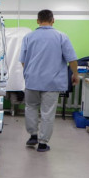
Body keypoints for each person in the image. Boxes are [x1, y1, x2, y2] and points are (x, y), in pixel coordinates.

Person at [20, 9, 78, 152]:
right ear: (53, 20)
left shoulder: (28, 37)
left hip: (32, 81)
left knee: (30, 107)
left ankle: (33, 135)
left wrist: (30, 72)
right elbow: (72, 59)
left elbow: (23, 61)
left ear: (37, 21)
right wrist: (75, 74)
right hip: (52, 83)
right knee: (48, 112)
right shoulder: (61, 37)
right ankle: (42, 143)